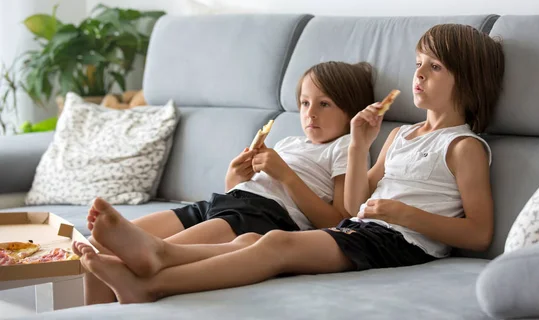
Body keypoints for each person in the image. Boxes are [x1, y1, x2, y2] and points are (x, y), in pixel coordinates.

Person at [74, 24, 505, 304]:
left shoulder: (463, 146)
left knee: (277, 243)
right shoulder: (399, 135)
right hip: (363, 229)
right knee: (249, 245)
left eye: (434, 67)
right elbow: (355, 207)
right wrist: (359, 145)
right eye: (417, 64)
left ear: (466, 80)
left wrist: (402, 213)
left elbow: (479, 233)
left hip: (403, 243)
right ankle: (152, 265)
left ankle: (155, 275)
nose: (419, 74)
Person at [83, 60, 375, 304]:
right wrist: (236, 177)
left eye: (324, 104)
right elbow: (244, 188)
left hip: (262, 216)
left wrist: (285, 174)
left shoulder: (345, 147)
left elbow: (338, 219)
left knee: (134, 258)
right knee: (99, 247)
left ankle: (151, 258)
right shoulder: (290, 141)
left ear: (352, 111)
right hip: (225, 204)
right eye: (304, 103)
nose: (310, 113)